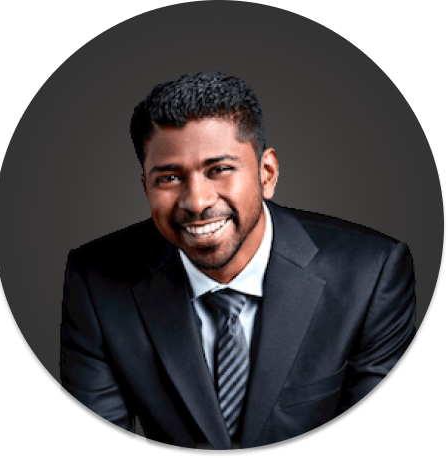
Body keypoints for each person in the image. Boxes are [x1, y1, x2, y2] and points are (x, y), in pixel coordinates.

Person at [60, 71, 416, 450]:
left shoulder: (371, 274)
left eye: (219, 170)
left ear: (267, 173)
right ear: (146, 186)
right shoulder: (96, 281)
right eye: (169, 178)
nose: (197, 202)